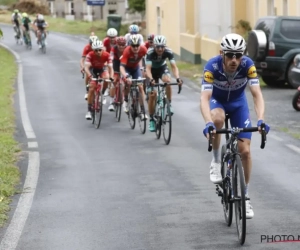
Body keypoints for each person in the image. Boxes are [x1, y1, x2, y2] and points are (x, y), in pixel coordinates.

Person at [200, 33, 270, 219]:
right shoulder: (212, 66)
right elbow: (205, 98)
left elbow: (256, 94)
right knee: (217, 120)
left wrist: (261, 119)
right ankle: (216, 161)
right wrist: (208, 122)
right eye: (230, 55)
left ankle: (245, 196)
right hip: (218, 102)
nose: (234, 60)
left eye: (238, 55)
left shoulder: (248, 65)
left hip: (238, 104)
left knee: (245, 151)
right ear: (221, 53)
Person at [145, 35, 183, 132]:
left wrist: (178, 78)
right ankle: (152, 119)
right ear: (154, 46)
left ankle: (169, 104)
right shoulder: (150, 52)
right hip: (151, 71)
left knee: (168, 82)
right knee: (152, 94)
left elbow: (174, 67)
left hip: (162, 68)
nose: (160, 49)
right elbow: (148, 69)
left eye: (162, 47)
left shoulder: (168, 51)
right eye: (158, 47)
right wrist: (151, 79)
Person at [84, 40, 114, 120]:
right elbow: (86, 68)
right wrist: (89, 75)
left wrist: (111, 77)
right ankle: (89, 111)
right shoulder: (90, 55)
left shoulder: (107, 55)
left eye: (100, 50)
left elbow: (111, 68)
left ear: (102, 49)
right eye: (96, 50)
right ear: (93, 50)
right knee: (91, 89)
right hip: (93, 70)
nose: (98, 52)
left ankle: (103, 92)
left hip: (102, 69)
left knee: (107, 78)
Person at [120, 34, 147, 120]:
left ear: (140, 44)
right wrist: (126, 76)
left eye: (137, 45)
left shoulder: (143, 49)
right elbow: (121, 67)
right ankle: (126, 100)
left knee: (140, 86)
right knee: (128, 83)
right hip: (126, 69)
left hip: (136, 68)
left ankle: (143, 111)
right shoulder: (127, 51)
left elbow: (149, 61)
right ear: (130, 45)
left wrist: (147, 70)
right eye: (133, 46)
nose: (135, 48)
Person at [108, 36, 127, 111]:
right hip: (116, 62)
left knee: (126, 80)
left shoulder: (127, 48)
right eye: (120, 45)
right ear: (117, 44)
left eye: (123, 45)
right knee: (114, 81)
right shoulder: (114, 48)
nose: (121, 46)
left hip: (124, 62)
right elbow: (111, 56)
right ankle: (111, 102)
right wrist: (110, 60)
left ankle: (125, 99)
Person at [80, 34, 99, 100]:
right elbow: (82, 59)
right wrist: (82, 67)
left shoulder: (99, 47)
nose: (93, 45)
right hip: (90, 63)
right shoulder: (87, 48)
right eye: (91, 43)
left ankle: (100, 93)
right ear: (89, 43)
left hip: (98, 64)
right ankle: (87, 90)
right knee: (88, 75)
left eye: (94, 43)